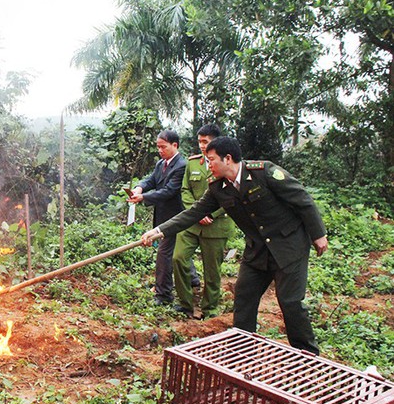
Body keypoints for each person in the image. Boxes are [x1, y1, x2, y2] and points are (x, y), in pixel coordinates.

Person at [141, 136, 328, 354]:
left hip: (289, 246)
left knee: (290, 302)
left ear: (227, 159)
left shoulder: (264, 172)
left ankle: (308, 355)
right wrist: (159, 231)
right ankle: (242, 349)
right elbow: (193, 213)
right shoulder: (218, 187)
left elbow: (302, 199)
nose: (208, 165)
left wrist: (318, 234)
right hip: (257, 250)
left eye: (211, 160)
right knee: (244, 297)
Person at [172, 124, 235, 319]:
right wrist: (197, 212)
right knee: (178, 258)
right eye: (199, 141)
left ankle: (209, 309)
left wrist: (212, 214)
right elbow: (185, 190)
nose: (201, 145)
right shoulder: (193, 164)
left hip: (216, 226)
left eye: (205, 142)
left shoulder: (226, 164)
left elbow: (232, 195)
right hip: (192, 223)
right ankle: (185, 304)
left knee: (212, 270)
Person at [128, 130, 187, 306]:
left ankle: (163, 294)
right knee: (175, 252)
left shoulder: (182, 166)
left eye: (163, 147)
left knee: (164, 253)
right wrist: (139, 188)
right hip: (162, 215)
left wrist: (144, 197)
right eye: (158, 147)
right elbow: (151, 180)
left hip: (175, 216)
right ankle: (192, 280)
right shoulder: (161, 164)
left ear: (174, 145)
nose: (160, 150)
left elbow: (169, 191)